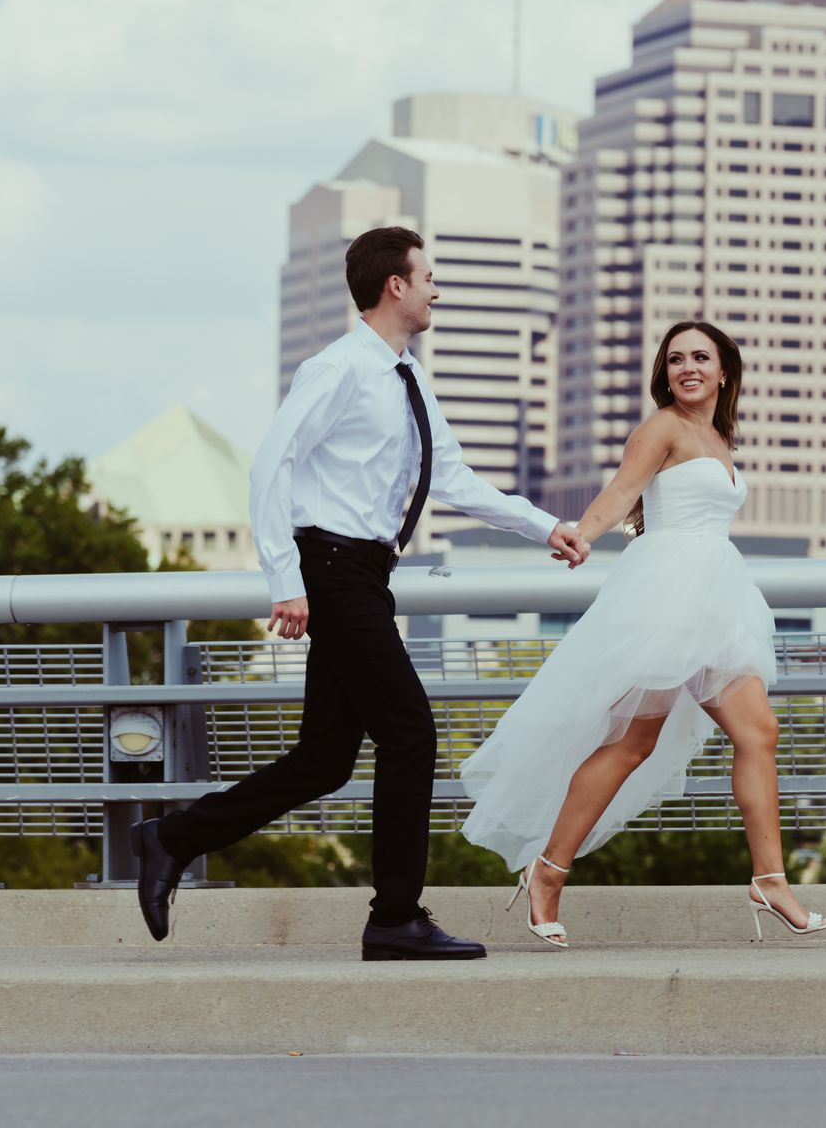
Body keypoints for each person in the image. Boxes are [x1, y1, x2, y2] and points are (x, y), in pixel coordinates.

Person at [133, 226, 590, 961]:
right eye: (429, 276)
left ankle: (171, 837)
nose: (438, 289)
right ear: (396, 286)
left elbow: (455, 480)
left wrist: (547, 528)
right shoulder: (339, 369)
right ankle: (396, 917)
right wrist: (286, 580)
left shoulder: (407, 379)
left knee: (325, 759)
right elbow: (270, 466)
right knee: (411, 730)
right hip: (332, 569)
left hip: (366, 574)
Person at [461, 321, 826, 947]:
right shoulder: (661, 427)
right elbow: (622, 493)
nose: (688, 367)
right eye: (676, 358)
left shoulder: (716, 436)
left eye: (700, 358)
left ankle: (770, 879)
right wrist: (582, 533)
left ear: (722, 370)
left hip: (717, 600)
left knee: (758, 730)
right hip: (666, 597)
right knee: (633, 743)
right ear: (666, 372)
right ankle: (548, 870)